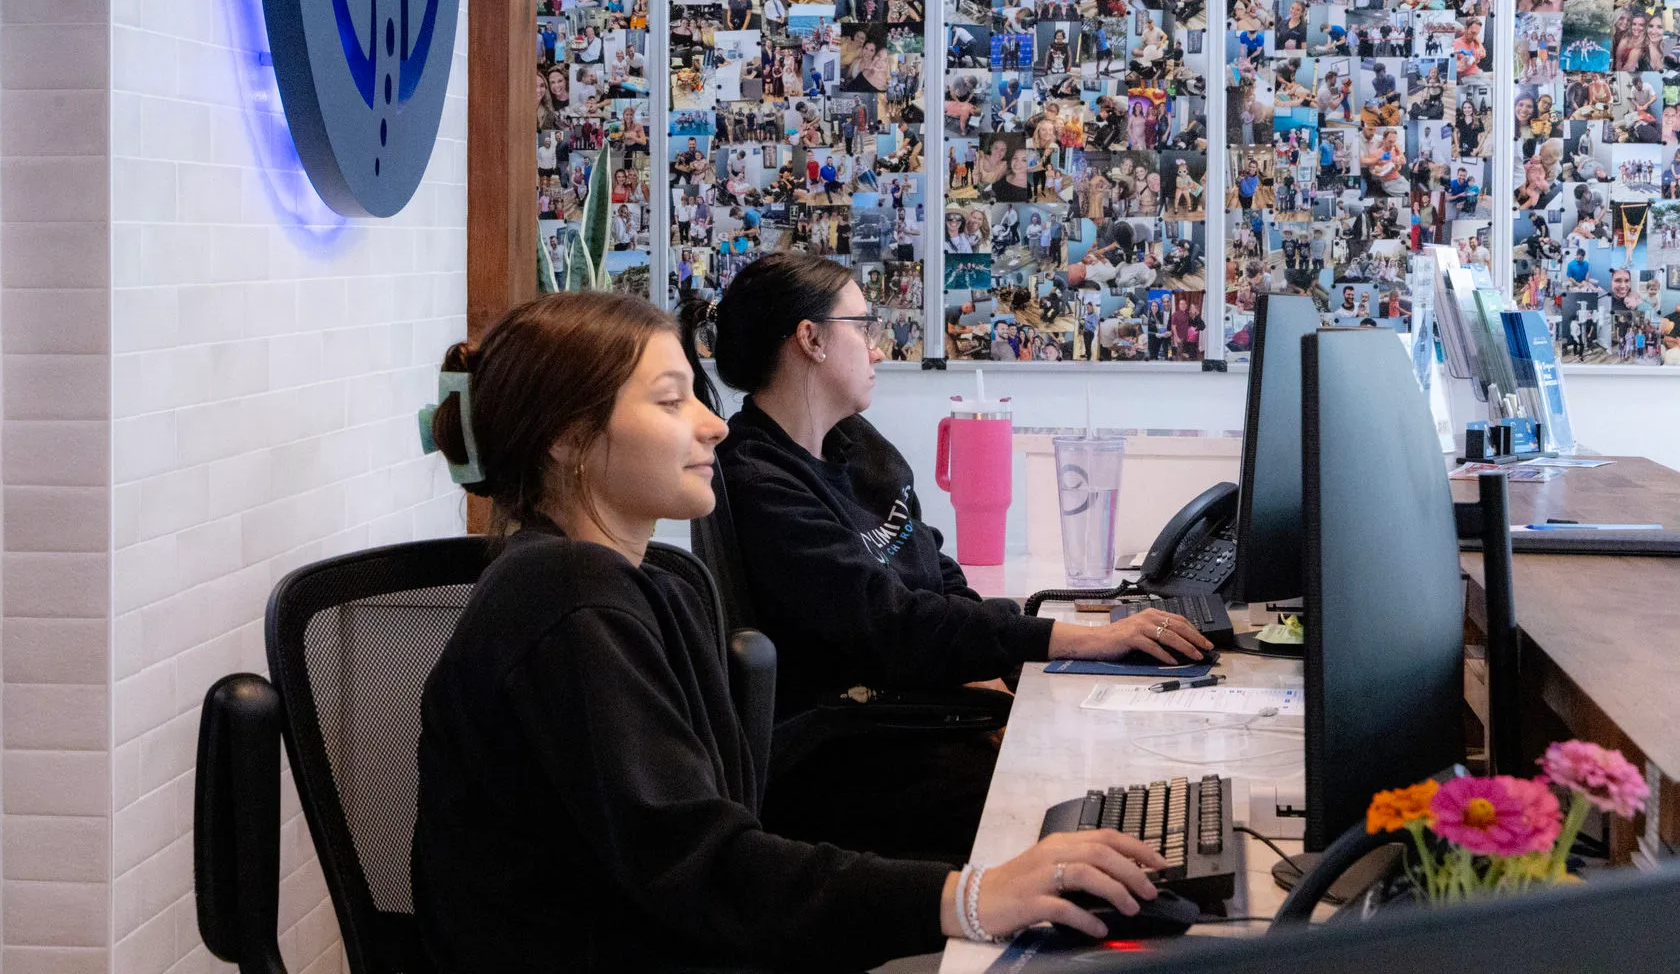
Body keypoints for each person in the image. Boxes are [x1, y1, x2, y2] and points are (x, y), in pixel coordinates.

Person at [412, 293, 1170, 971]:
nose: (713, 425)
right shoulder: (569, 600)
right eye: (672, 402)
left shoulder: (637, 584)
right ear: (569, 438)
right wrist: (970, 897)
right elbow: (703, 869)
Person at [684, 256, 1209, 862]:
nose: (878, 350)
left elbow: (938, 575)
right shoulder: (758, 480)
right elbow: (892, 623)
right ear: (811, 339)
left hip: (914, 715)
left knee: (1103, 738)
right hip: (852, 756)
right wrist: (1081, 639)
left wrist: (988, 681)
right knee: (1073, 806)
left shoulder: (856, 443)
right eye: (863, 327)